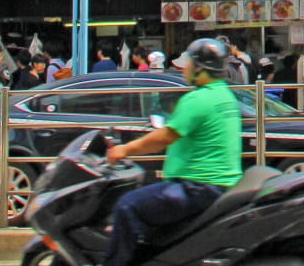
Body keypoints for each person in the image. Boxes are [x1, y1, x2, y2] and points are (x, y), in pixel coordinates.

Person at [102, 39, 244, 266]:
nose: (183, 68)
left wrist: (123, 150)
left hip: (197, 187)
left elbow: (163, 138)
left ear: (200, 68)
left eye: (187, 64)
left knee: (127, 205)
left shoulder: (198, 99)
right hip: (217, 186)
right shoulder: (224, 96)